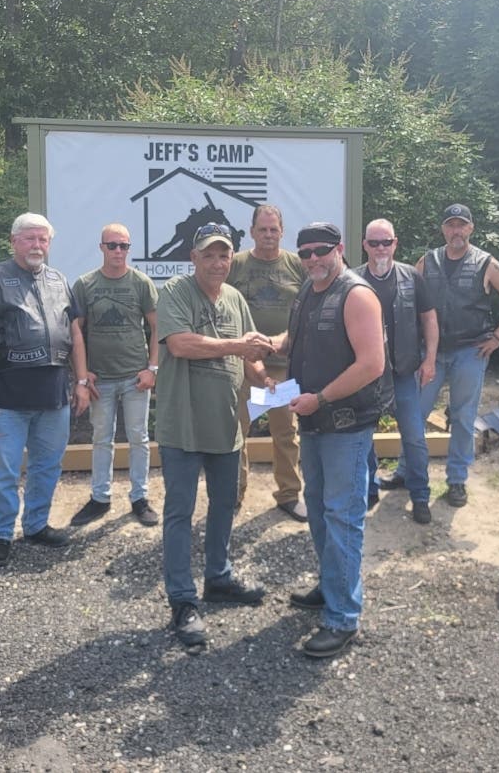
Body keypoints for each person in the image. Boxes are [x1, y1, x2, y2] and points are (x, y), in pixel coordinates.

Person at [155, 222, 274, 648]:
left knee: (225, 503)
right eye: (209, 254)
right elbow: (181, 345)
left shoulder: (236, 299)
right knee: (179, 512)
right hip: (182, 424)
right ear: (194, 258)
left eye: (224, 255)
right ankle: (182, 601)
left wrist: (266, 381)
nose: (218, 262)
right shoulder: (174, 292)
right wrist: (238, 347)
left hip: (226, 423)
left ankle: (219, 577)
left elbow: (248, 355)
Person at [274, 222, 390, 658]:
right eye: (305, 253)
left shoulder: (356, 295)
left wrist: (319, 397)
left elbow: (372, 364)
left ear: (339, 248)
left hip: (345, 425)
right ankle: (330, 587)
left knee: (342, 518)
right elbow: (294, 342)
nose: (312, 259)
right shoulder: (308, 290)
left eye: (321, 250)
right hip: (314, 423)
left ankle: (343, 619)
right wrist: (264, 343)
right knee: (321, 513)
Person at [379, 203, 499, 508]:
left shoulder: (486, 263)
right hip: (430, 353)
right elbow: (408, 302)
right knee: (414, 413)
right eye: (451, 225)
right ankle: (405, 472)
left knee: (463, 417)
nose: (456, 231)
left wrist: (498, 337)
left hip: (469, 351)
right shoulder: (427, 261)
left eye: (462, 225)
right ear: (443, 229)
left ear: (471, 229)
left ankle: (457, 480)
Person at [0, 213, 91, 568]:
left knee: (47, 465)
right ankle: (0, 535)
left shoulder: (59, 280)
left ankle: (36, 525)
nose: (37, 246)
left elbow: (75, 333)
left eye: (43, 240)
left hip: (54, 395)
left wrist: (81, 381)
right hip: (6, 397)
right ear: (14, 241)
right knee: (3, 473)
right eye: (30, 239)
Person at [70, 223, 160, 527]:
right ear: (101, 248)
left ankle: (140, 497)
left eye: (124, 246)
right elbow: (76, 331)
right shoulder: (85, 284)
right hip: (101, 379)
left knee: (139, 437)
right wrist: (82, 376)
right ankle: (100, 498)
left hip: (136, 376)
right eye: (112, 246)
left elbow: (157, 327)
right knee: (101, 438)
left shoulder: (141, 283)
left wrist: (153, 369)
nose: (118, 251)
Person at [354, 219, 438, 523]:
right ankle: (369, 490)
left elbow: (429, 319)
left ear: (395, 243)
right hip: (366, 375)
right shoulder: (351, 280)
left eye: (385, 242)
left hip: (403, 372)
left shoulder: (411, 277)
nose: (380, 248)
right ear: (364, 245)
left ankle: (420, 495)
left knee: (414, 438)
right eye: (373, 242)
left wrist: (430, 359)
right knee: (362, 438)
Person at [227, 205, 308, 521]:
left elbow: (305, 312)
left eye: (274, 229)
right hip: (243, 366)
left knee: (286, 434)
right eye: (263, 229)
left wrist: (278, 343)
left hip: (282, 368)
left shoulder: (295, 266)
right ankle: (233, 495)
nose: (269, 235)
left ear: (282, 231)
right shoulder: (237, 265)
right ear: (252, 232)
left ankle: (288, 495)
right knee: (235, 434)